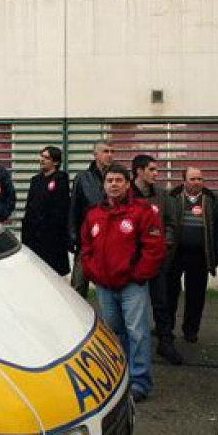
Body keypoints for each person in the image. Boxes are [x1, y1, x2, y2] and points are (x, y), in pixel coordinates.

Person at [80, 163, 165, 402]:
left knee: (137, 333)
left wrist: (138, 275)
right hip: (105, 287)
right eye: (110, 181)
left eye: (119, 180)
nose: (114, 184)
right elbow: (86, 247)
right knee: (114, 334)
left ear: (128, 184)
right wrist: (93, 272)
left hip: (132, 286)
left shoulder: (142, 211)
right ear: (103, 185)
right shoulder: (94, 214)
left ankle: (140, 382)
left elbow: (154, 247)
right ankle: (120, 376)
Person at [166, 166, 218, 344]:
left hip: (200, 255)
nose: (197, 182)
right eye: (193, 179)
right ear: (184, 181)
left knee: (196, 296)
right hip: (175, 254)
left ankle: (191, 331)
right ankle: (166, 329)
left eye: (200, 179)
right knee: (169, 294)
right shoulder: (171, 198)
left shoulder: (212, 200)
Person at [130, 154, 179, 364]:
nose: (156, 174)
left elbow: (170, 222)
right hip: (132, 262)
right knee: (134, 306)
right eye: (152, 169)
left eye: (156, 170)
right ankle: (132, 347)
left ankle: (165, 343)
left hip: (157, 261)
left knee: (162, 302)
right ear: (139, 171)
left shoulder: (162, 195)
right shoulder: (126, 194)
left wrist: (164, 244)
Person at [69, 141, 114, 298]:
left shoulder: (116, 178)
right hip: (86, 242)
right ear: (95, 155)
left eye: (112, 151)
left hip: (110, 242)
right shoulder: (82, 178)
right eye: (105, 151)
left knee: (108, 290)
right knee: (78, 288)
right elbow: (74, 208)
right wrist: (73, 237)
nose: (110, 154)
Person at [21, 146, 71, 276]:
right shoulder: (35, 180)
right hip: (34, 238)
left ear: (56, 162)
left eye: (46, 158)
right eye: (41, 156)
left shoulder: (61, 179)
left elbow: (60, 211)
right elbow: (29, 208)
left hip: (53, 240)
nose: (42, 160)